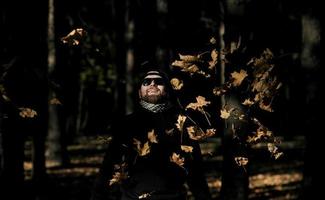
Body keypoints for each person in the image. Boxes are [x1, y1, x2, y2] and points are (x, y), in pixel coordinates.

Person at [90, 69, 212, 200]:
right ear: (139, 92)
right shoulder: (126, 123)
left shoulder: (183, 123)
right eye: (146, 82)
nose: (152, 84)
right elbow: (108, 167)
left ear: (167, 90)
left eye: (158, 81)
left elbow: (196, 172)